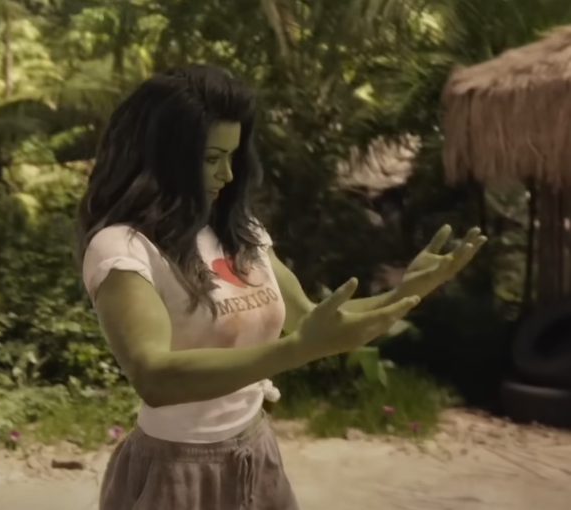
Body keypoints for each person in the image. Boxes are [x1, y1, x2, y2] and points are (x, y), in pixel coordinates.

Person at [75, 63, 485, 510]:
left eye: (232, 157)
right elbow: (154, 376)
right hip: (176, 470)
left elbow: (310, 319)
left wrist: (406, 293)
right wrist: (298, 351)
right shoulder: (123, 248)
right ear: (162, 157)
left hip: (255, 451)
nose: (227, 175)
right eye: (211, 159)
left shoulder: (240, 232)